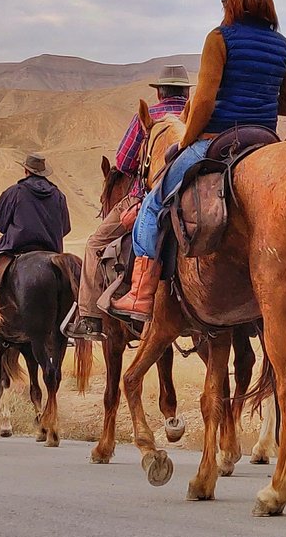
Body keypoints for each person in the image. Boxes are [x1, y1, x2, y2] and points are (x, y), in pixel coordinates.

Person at [111, 0, 286, 321]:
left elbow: (203, 101)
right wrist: (257, 102)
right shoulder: (283, 46)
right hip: (264, 141)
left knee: (154, 204)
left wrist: (186, 141)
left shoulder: (220, 38)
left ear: (233, 1)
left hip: (219, 140)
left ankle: (141, 293)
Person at [64, 65, 192, 341]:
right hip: (191, 194)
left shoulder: (149, 118)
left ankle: (88, 317)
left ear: (159, 92)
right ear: (186, 93)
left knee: (95, 243)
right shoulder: (192, 117)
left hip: (144, 196)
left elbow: (122, 162)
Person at [0, 153, 71, 293]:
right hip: (53, 250)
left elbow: (0, 223)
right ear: (43, 173)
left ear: (26, 171)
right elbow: (65, 228)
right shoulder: (59, 195)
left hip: (16, 248)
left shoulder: (15, 191)